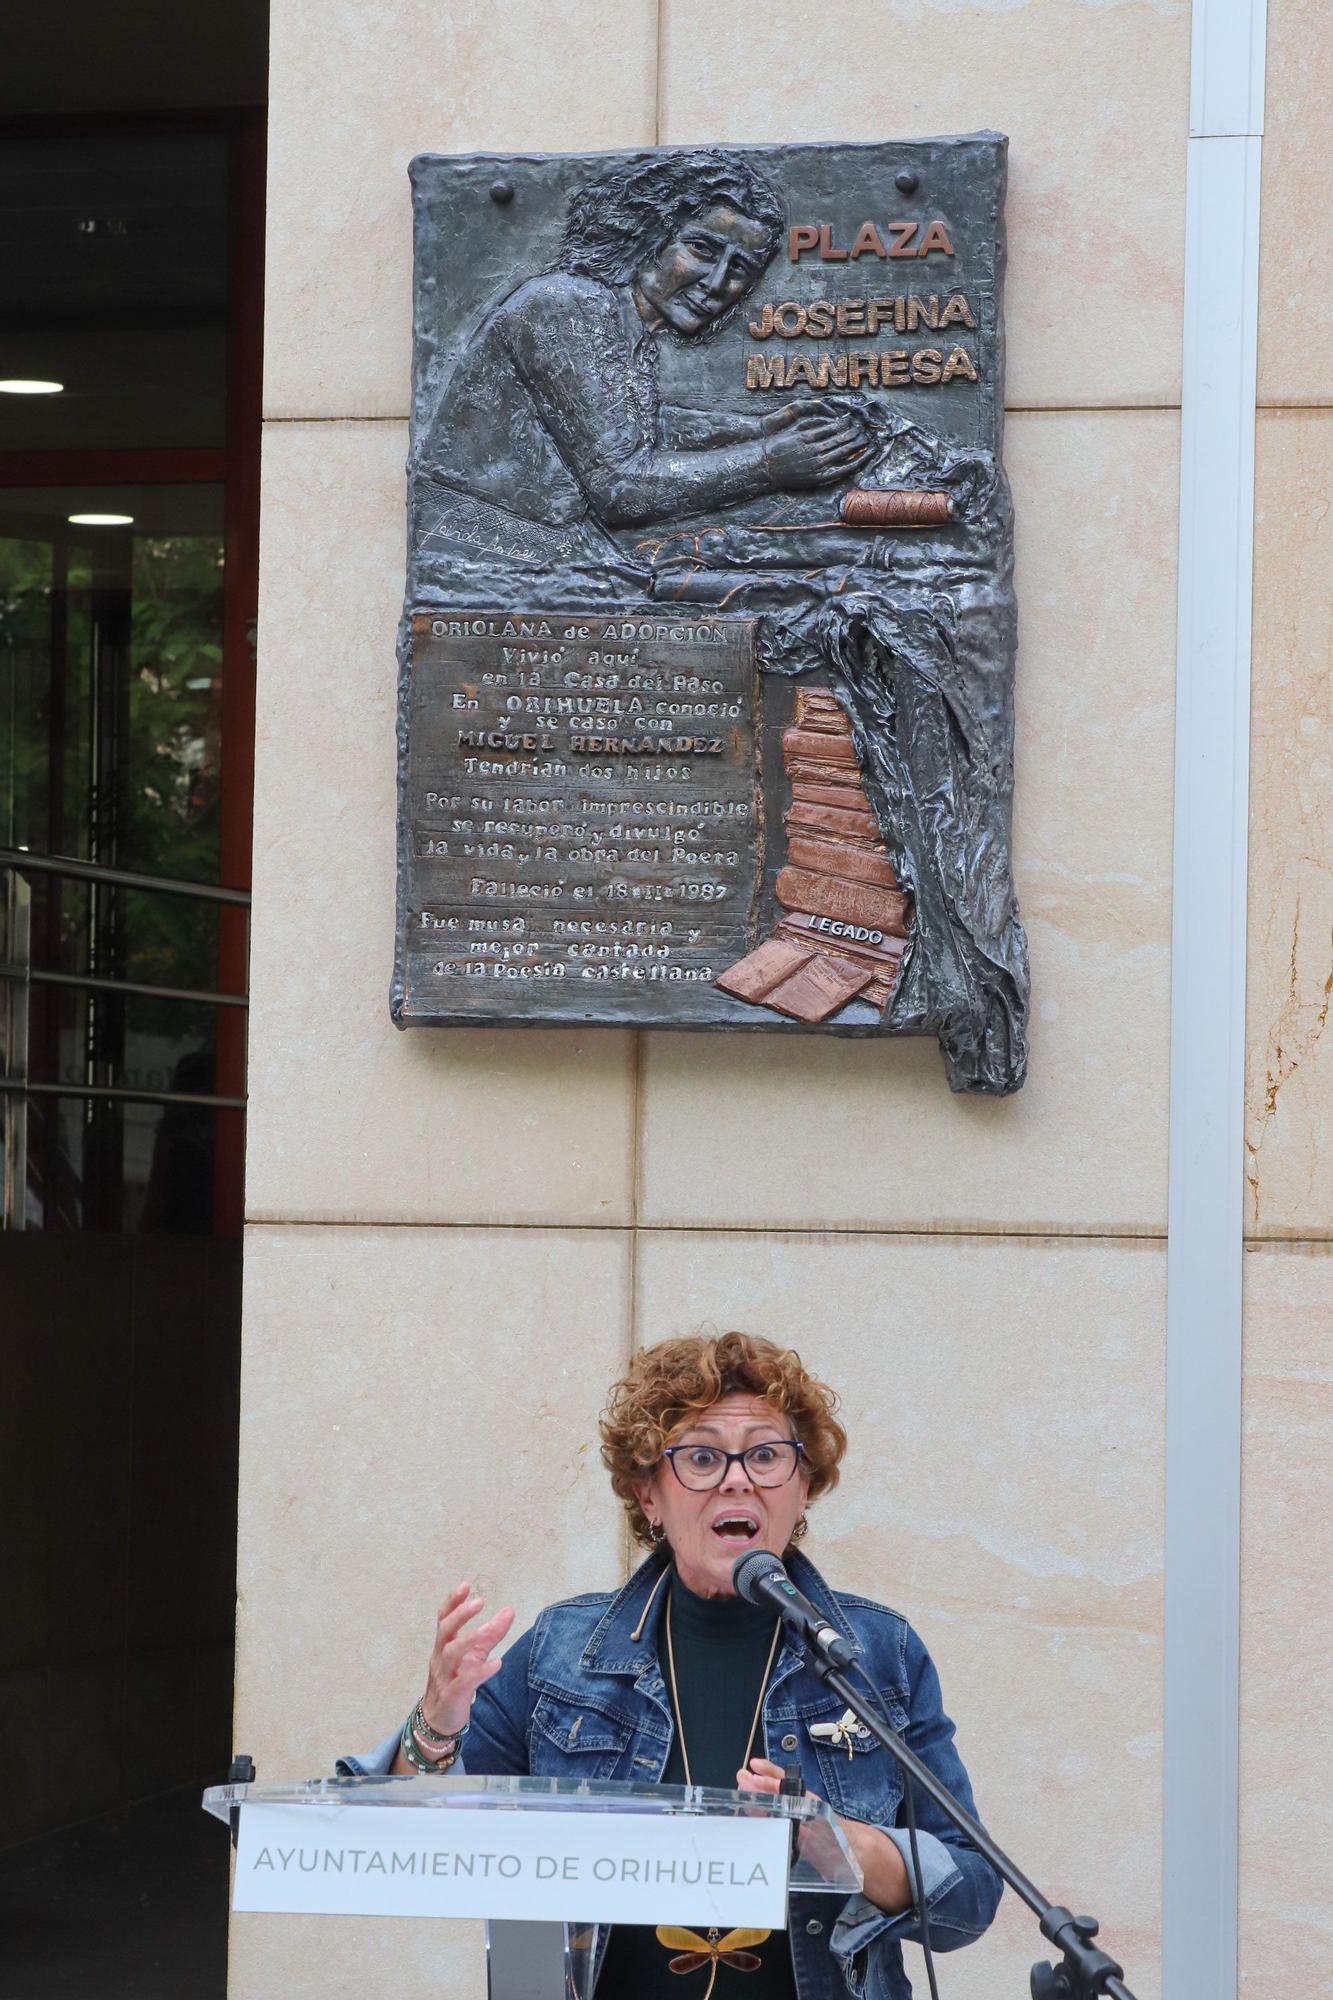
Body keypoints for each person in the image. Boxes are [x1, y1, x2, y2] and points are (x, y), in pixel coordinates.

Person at [339, 1332, 1000, 1998]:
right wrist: (436, 1723)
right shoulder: (558, 1653)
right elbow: (400, 1841)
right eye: (702, 1456)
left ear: (802, 1490)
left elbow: (970, 1897)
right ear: (647, 1495)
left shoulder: (876, 1655)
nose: (737, 1477)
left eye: (767, 1455)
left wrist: (846, 1847)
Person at [414, 150, 875, 573]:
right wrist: (768, 462)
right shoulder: (567, 305)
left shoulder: (622, 322)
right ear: (646, 234)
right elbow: (620, 486)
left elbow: (629, 424)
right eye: (702, 249)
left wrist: (758, 428)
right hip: (476, 553)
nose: (716, 284)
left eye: (739, 269)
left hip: (539, 546)